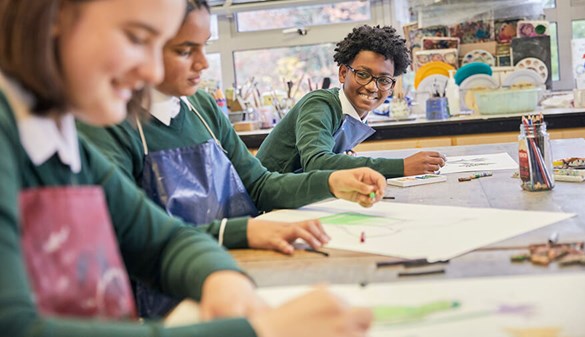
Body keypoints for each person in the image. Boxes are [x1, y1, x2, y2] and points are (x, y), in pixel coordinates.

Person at [0, 1, 373, 336]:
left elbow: (165, 242)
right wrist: (257, 329)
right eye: (136, 38)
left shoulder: (56, 138)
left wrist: (220, 276)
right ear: (52, 15)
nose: (149, 72)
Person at [256, 25, 447, 178]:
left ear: (391, 86)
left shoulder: (355, 113)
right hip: (270, 205)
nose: (373, 87)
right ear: (343, 73)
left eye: (383, 80)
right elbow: (317, 162)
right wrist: (402, 166)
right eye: (363, 74)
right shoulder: (319, 105)